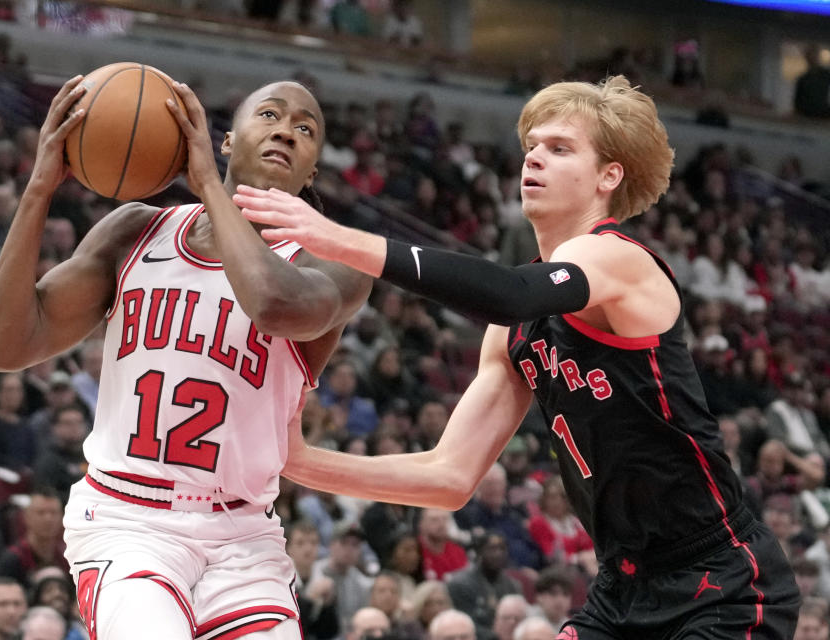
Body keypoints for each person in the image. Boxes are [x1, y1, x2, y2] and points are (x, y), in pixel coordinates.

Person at [237, 75, 802, 637]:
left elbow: (509, 292)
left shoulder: (618, 260)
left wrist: (332, 238)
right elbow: (450, 474)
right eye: (531, 147)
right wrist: (302, 461)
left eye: (559, 149)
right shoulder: (514, 333)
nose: (534, 158)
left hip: (719, 579)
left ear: (609, 175)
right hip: (622, 587)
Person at [0, 75, 370, 640]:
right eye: (270, 115)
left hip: (242, 537)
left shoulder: (336, 260)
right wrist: (38, 189)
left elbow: (275, 305)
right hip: (129, 519)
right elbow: (3, 346)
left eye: (305, 128)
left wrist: (208, 180)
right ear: (229, 139)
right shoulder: (137, 231)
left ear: (312, 172)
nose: (286, 130)